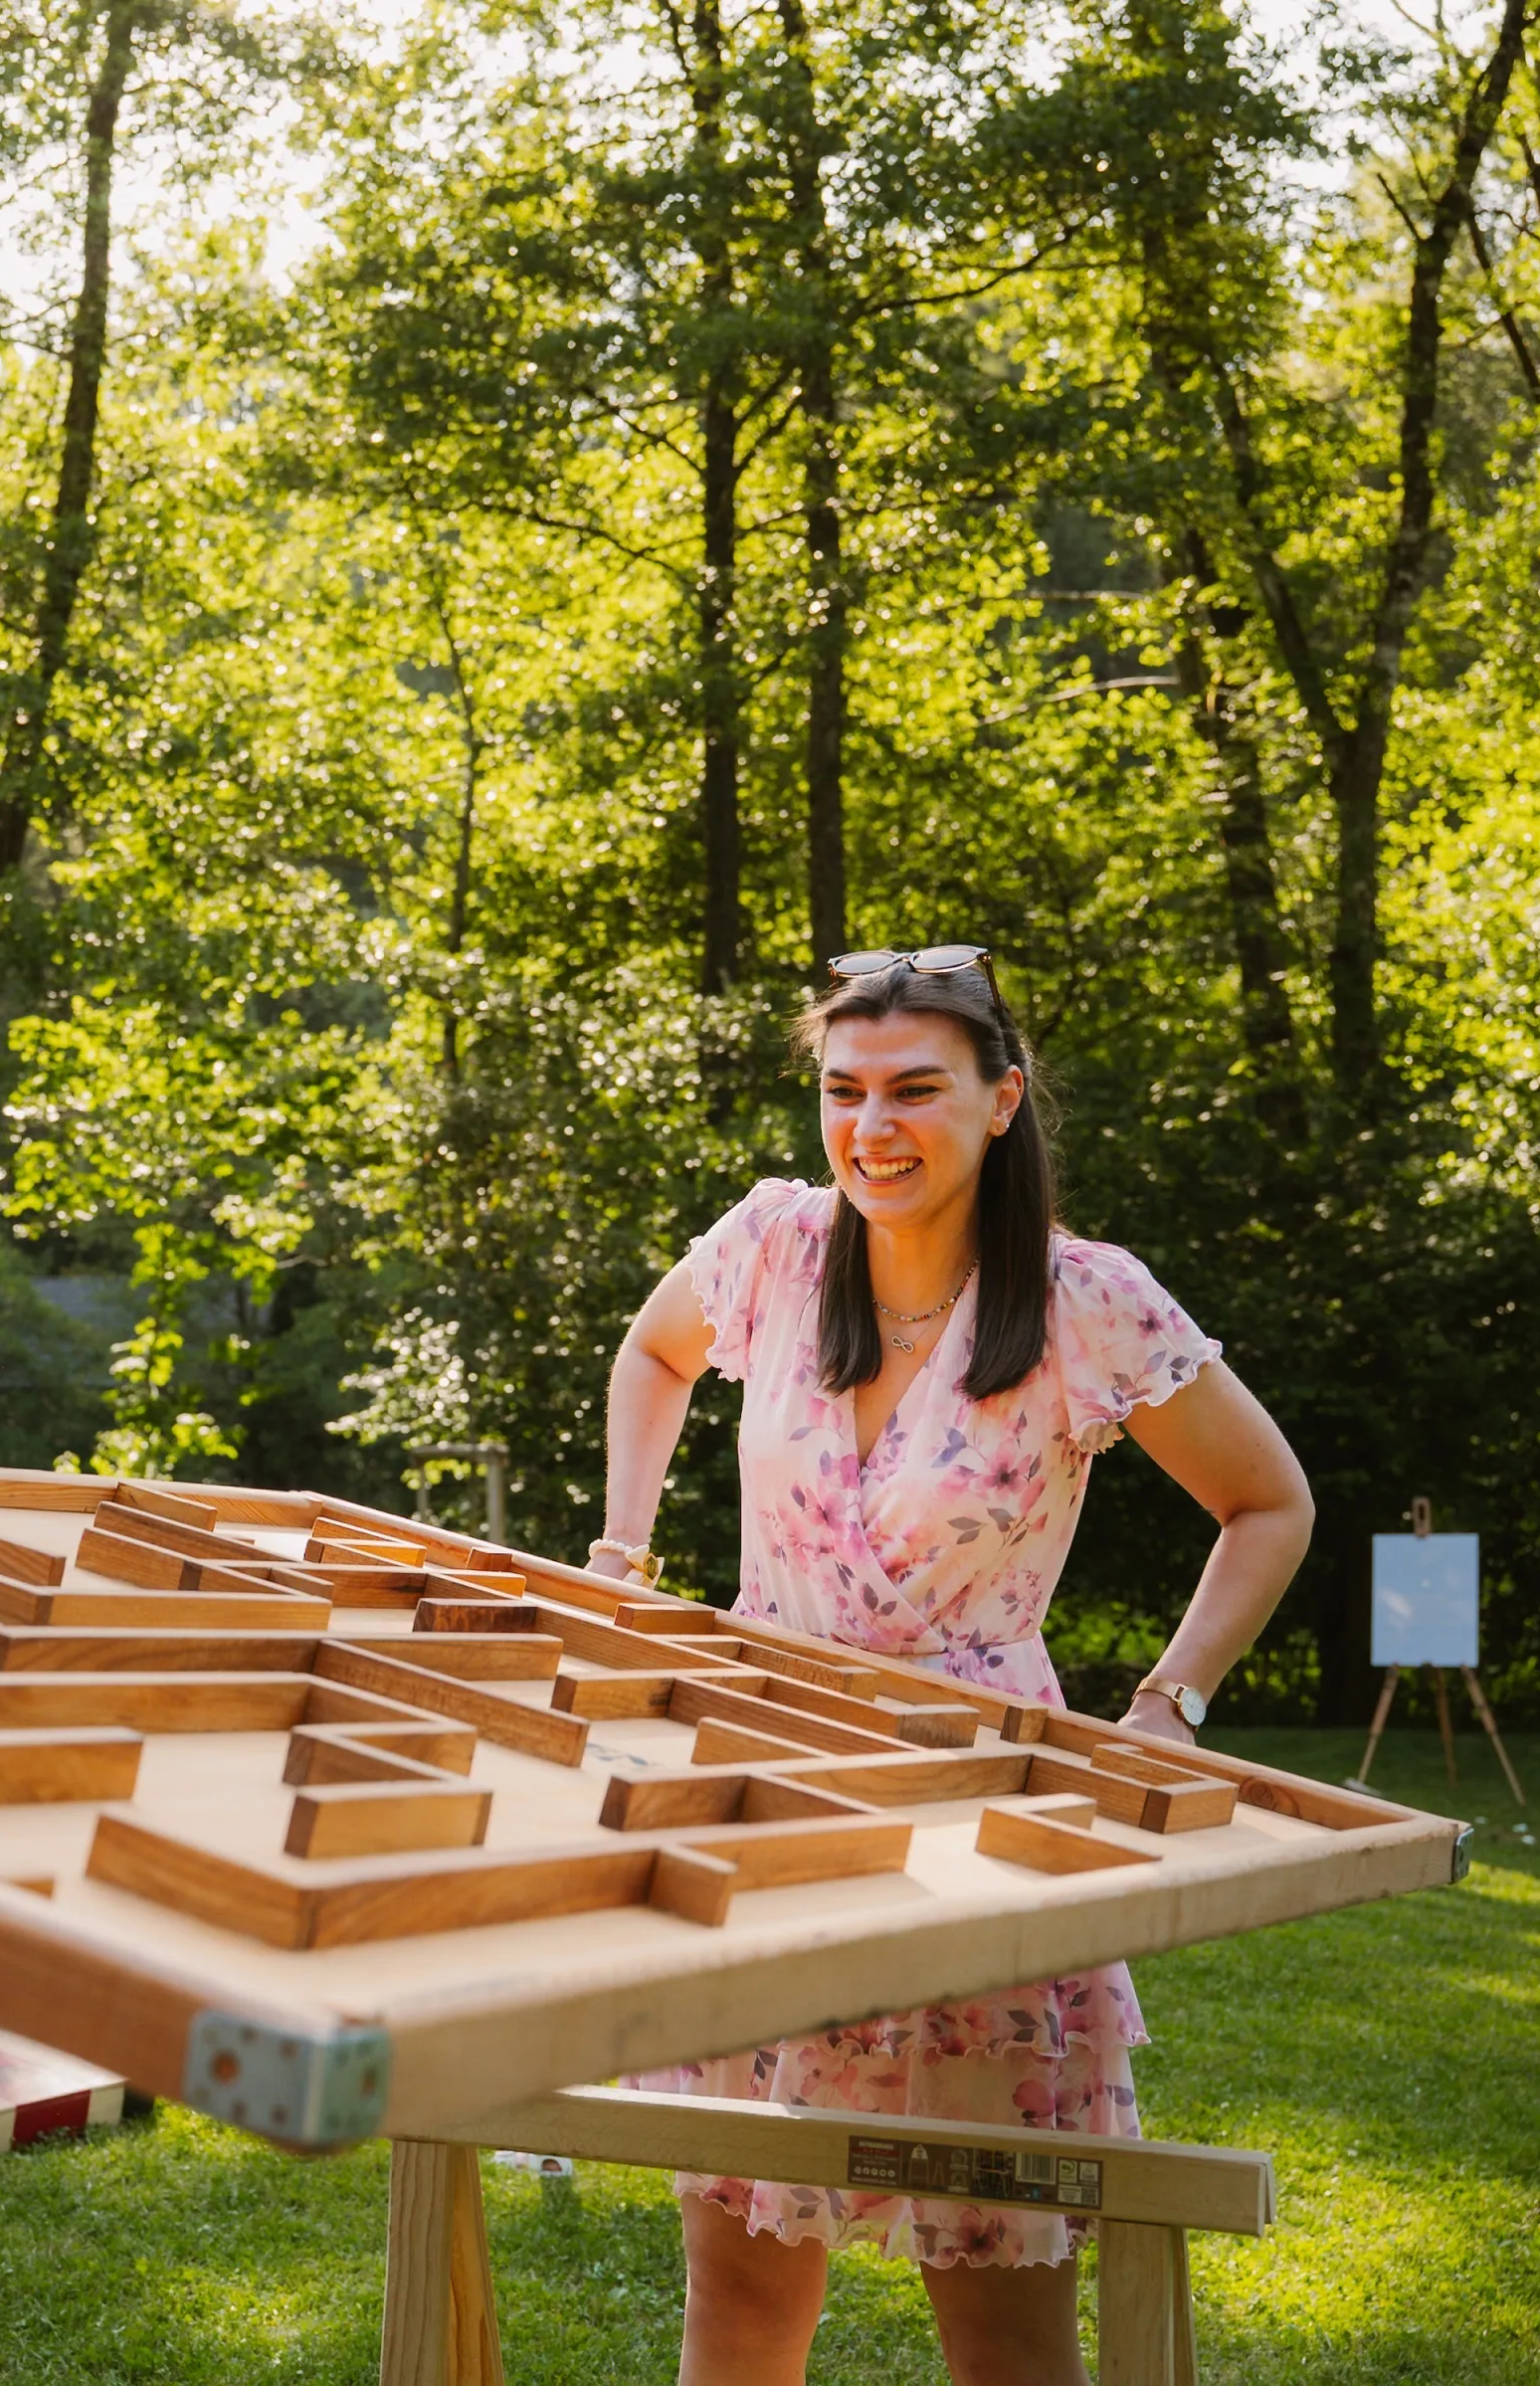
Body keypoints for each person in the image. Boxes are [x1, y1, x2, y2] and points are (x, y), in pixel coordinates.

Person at [592, 946, 1313, 2386]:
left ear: (1002, 1101)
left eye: (917, 1088)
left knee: (1000, 2327)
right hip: (768, 1795)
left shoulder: (1083, 1300)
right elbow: (652, 1353)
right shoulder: (776, 1247)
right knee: (738, 2300)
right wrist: (623, 1549)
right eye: (844, 1091)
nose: (874, 1125)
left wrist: (1171, 1701)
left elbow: (1269, 1502)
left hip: (976, 1821)